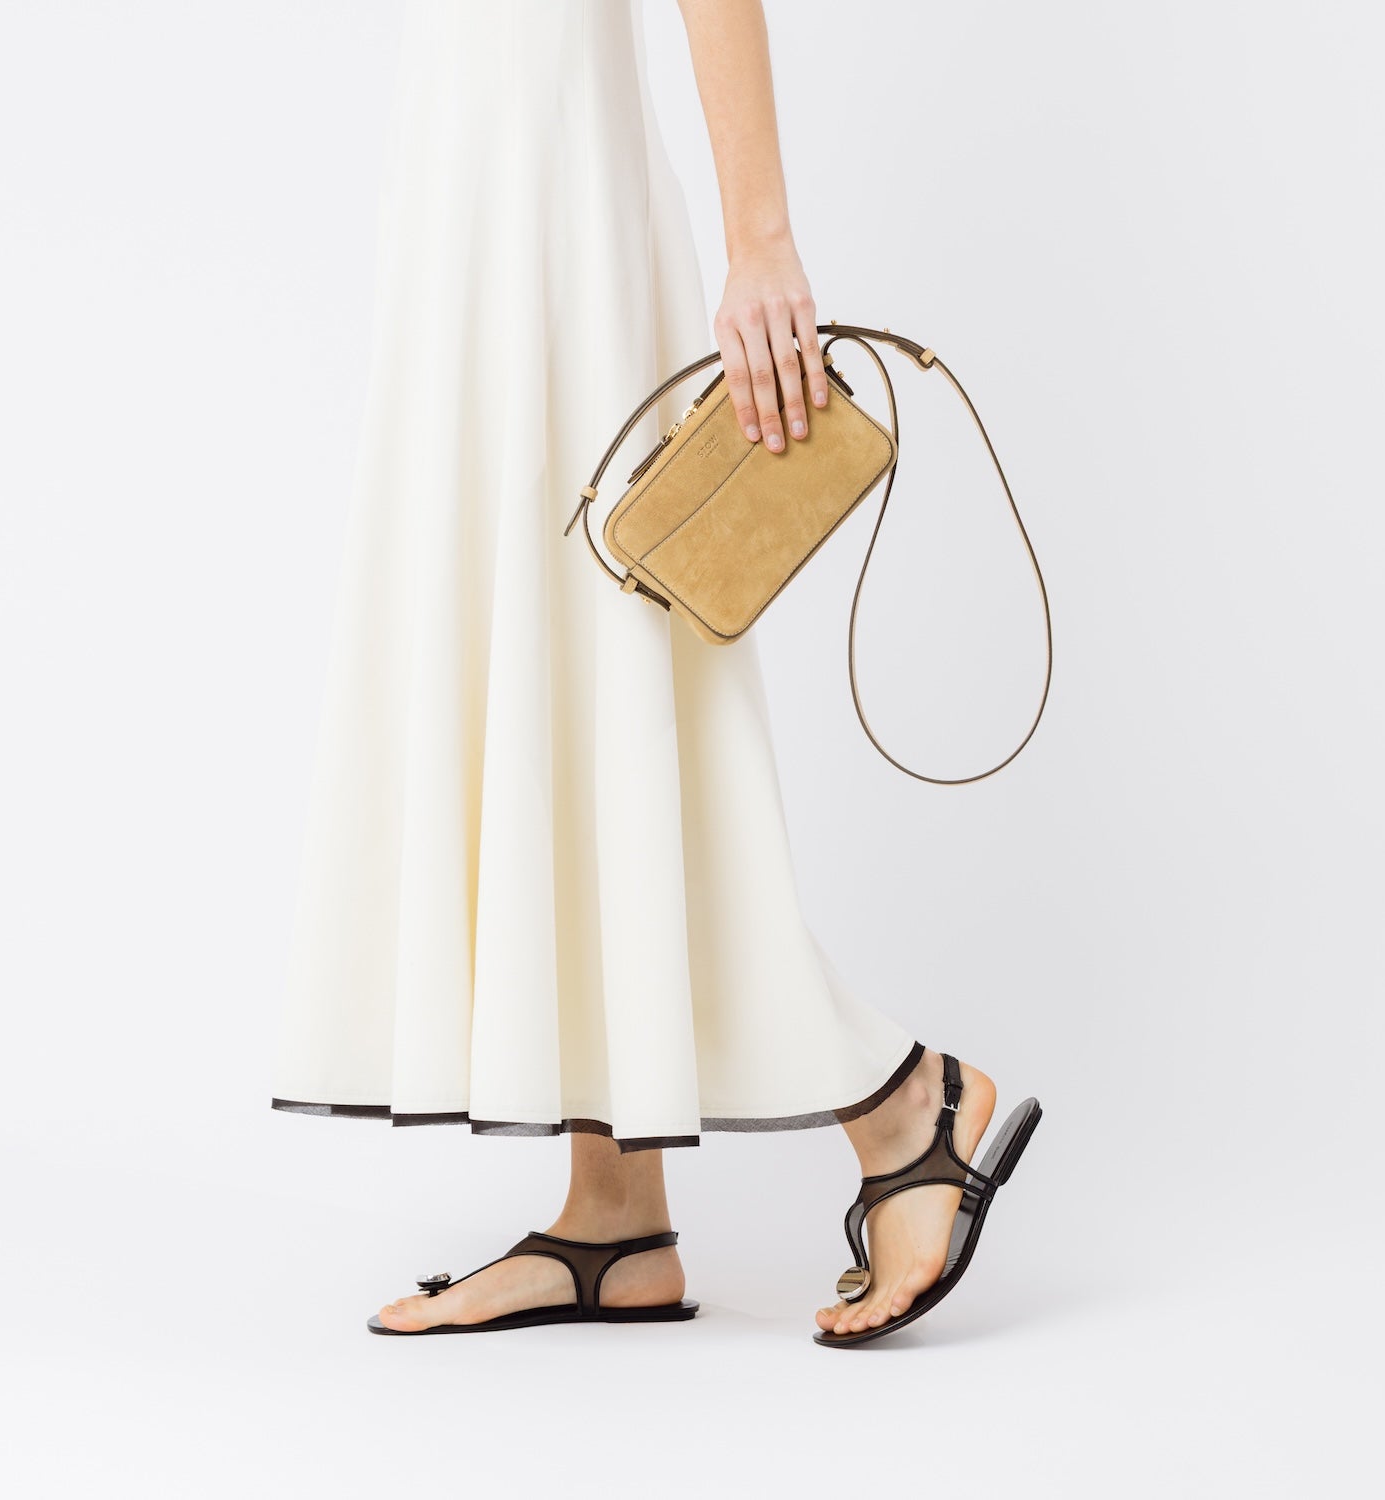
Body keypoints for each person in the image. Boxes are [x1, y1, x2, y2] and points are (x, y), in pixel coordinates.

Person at [270, 0, 1039, 1348]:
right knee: (567, 688)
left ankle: (905, 1101)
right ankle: (611, 1211)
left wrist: (763, 241)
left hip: (551, 199)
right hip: (471, 190)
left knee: (608, 668)